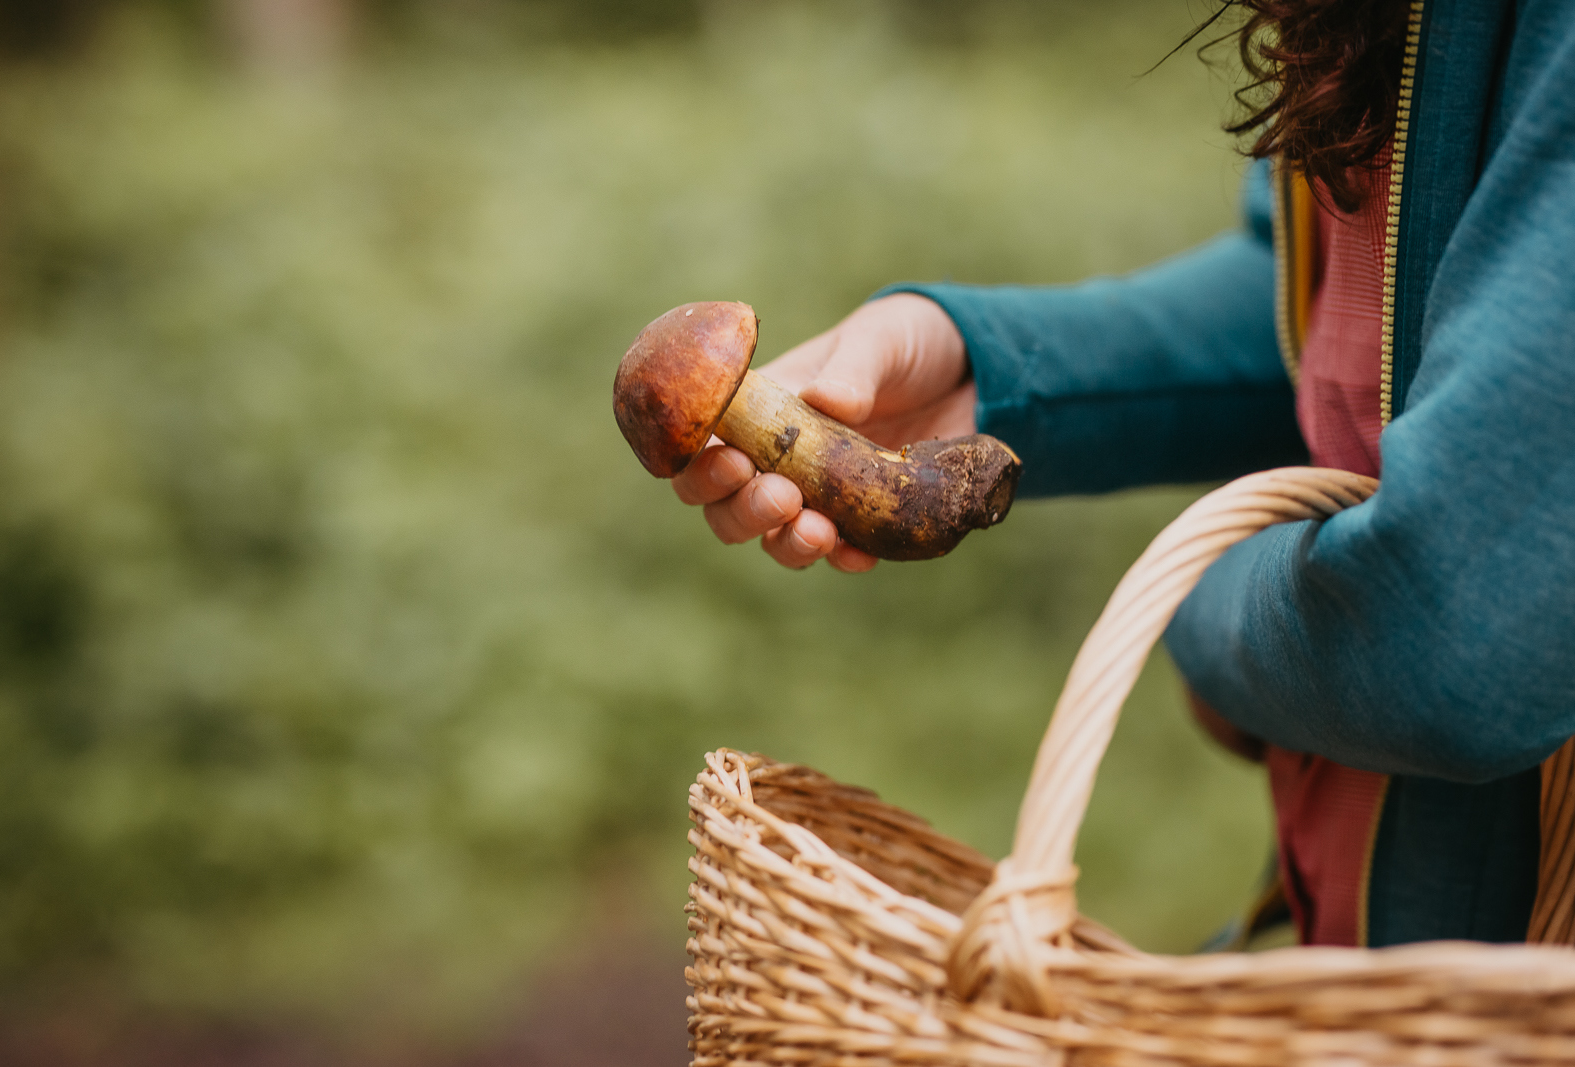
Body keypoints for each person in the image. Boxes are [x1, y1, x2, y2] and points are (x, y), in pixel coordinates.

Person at [668, 0, 1575, 948]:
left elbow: (1456, 625)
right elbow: (1332, 311)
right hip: (1374, 941)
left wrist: (1188, 604)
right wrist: (990, 365)